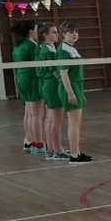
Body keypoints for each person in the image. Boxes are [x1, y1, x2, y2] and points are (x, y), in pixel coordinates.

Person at [56, 21, 92, 163]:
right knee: (74, 123)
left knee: (77, 123)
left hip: (77, 87)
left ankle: (76, 152)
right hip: (69, 88)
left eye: (76, 32)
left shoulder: (71, 49)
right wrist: (70, 93)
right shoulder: (63, 50)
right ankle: (74, 155)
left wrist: (81, 93)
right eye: (71, 32)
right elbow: (63, 73)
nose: (74, 34)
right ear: (63, 34)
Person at [10, 20, 45, 155]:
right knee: (36, 114)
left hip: (21, 79)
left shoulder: (17, 46)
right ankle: (38, 143)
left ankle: (29, 141)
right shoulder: (32, 46)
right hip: (32, 79)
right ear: (31, 32)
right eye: (36, 30)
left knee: (29, 113)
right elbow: (40, 64)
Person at [38, 24, 68, 160]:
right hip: (52, 85)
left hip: (47, 84)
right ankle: (58, 150)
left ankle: (51, 150)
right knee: (56, 120)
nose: (57, 34)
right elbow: (55, 71)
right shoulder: (48, 51)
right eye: (54, 32)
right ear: (45, 35)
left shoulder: (47, 48)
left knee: (50, 119)